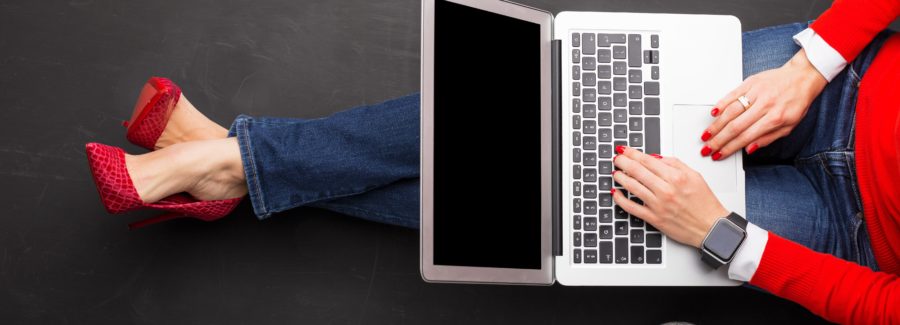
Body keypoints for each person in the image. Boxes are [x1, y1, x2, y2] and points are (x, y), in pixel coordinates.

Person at [85, 0, 899, 323]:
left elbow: (882, 307)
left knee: (561, 208)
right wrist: (813, 63)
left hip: (845, 233)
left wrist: (721, 235)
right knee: (547, 111)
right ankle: (230, 164)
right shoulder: (820, 75)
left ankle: (228, 161)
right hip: (840, 87)